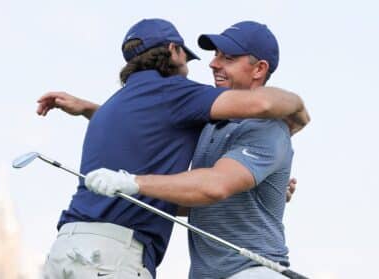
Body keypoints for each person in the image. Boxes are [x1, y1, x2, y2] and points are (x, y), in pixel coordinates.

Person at [38, 19, 308, 279]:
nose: (213, 63)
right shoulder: (205, 124)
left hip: (253, 272)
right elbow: (149, 130)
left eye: (228, 57)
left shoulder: (268, 129)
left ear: (259, 69)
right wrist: (90, 109)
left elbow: (213, 186)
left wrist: (132, 181)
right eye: (215, 55)